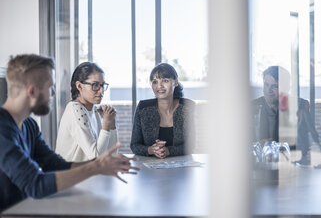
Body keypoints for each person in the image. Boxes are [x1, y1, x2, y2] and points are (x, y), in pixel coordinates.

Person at [0, 54, 139, 211]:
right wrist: (96, 167)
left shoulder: (29, 125)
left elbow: (54, 164)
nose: (53, 93)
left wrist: (103, 164)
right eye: (50, 87)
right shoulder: (2, 130)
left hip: (20, 211)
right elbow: (35, 185)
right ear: (32, 91)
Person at [252, 66, 321, 167]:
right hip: (259, 166)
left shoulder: (299, 106)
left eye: (274, 86)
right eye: (266, 85)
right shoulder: (252, 107)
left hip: (292, 164)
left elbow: (310, 140)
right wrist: (257, 145)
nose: (269, 90)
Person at [130, 63, 195, 158]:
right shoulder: (143, 108)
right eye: (155, 82)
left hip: (181, 166)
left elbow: (190, 146)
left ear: (175, 82)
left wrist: (168, 151)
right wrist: (151, 150)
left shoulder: (187, 107)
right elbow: (134, 145)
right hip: (149, 168)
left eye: (165, 80)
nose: (159, 86)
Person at [56, 62, 118, 162]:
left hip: (88, 173)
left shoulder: (94, 110)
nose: (101, 91)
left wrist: (111, 124)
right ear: (79, 86)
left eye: (102, 85)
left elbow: (112, 153)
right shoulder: (75, 109)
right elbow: (96, 157)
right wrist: (105, 125)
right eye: (95, 85)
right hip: (71, 175)